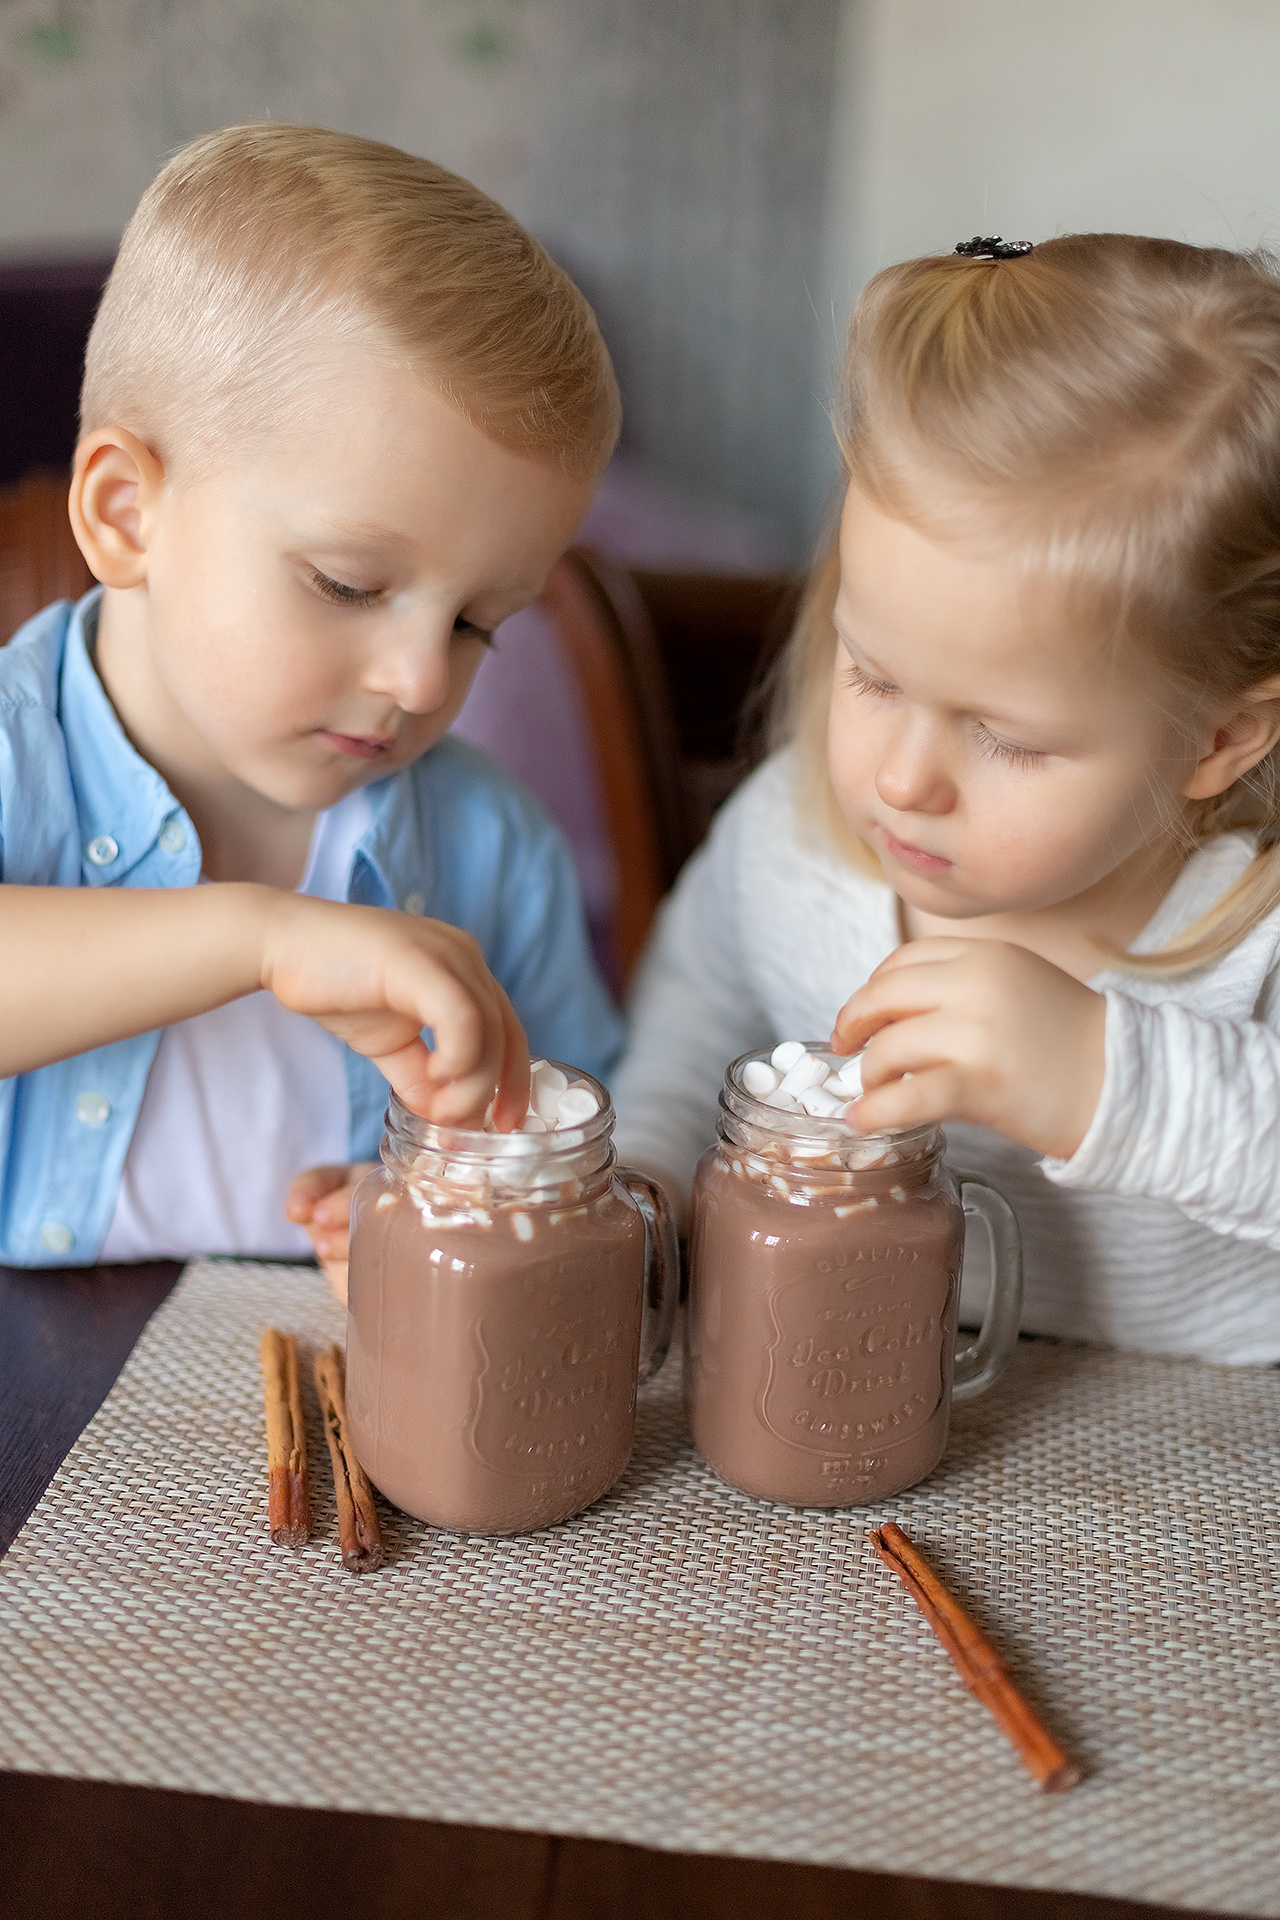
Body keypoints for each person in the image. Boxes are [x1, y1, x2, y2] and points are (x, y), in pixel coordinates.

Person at [612, 232, 1280, 1364]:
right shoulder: (788, 842)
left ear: (1218, 738)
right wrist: (646, 1186)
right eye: (869, 676)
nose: (899, 779)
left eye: (1004, 740)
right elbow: (694, 1026)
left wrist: (1098, 1076)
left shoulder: (1249, 931)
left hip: (1197, 1465)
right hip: (858, 1391)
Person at [0, 123, 624, 1295]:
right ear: (128, 513)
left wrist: (459, 1208)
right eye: (347, 584)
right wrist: (265, 937)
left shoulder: (492, 848)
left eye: (478, 622)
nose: (422, 681)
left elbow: (583, 1156)